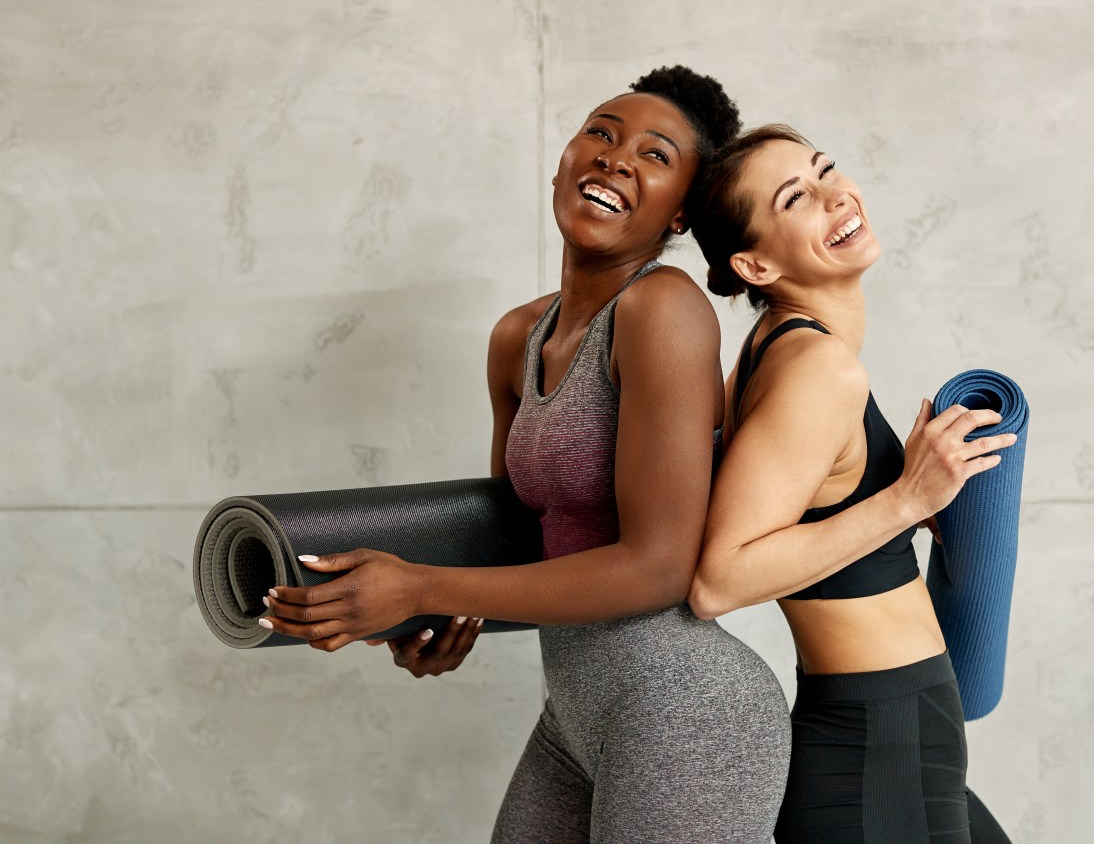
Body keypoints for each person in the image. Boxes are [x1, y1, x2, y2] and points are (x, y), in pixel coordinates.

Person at [259, 68, 792, 843]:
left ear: (681, 212)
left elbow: (660, 567)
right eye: (602, 134)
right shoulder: (518, 337)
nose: (614, 158)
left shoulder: (663, 309)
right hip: (575, 713)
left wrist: (420, 586)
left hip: (686, 711)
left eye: (654, 154)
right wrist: (439, 613)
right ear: (564, 160)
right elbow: (516, 535)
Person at [687, 124, 1015, 843]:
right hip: (876, 743)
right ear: (756, 264)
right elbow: (720, 580)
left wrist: (910, 502)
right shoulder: (819, 369)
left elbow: (808, 512)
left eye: (826, 169)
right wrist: (905, 499)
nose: (836, 194)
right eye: (796, 197)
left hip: (899, 735)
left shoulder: (783, 349)